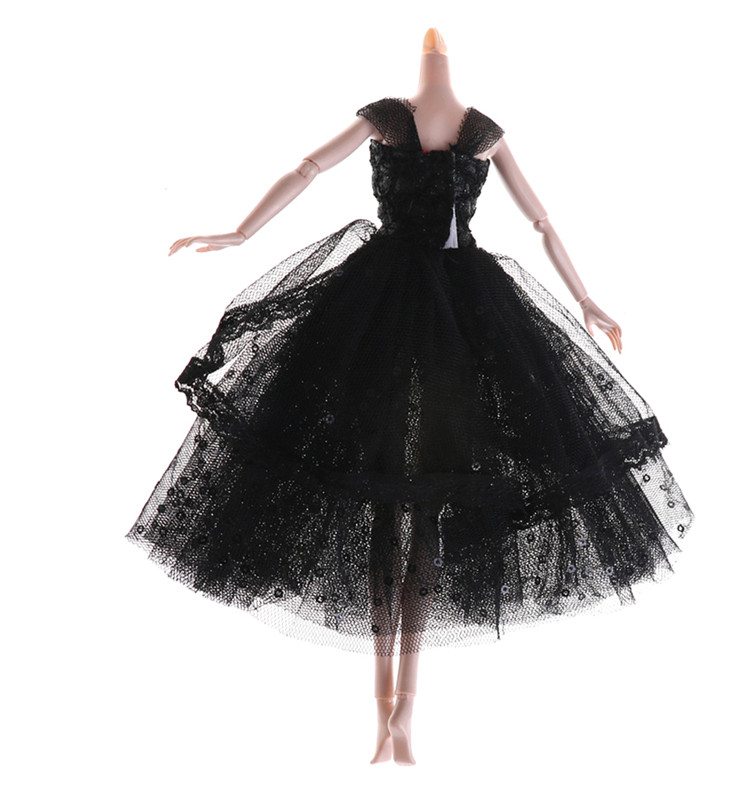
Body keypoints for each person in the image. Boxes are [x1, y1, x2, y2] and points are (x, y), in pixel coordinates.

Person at [127, 28, 694, 766]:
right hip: (381, 310)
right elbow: (307, 169)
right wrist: (239, 232)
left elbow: (541, 220)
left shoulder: (482, 133)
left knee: (429, 494)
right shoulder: (388, 118)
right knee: (378, 492)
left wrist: (586, 298)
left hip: (464, 318)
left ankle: (404, 713)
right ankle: (383, 712)